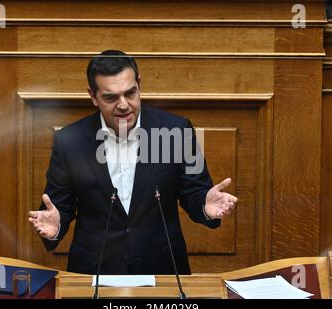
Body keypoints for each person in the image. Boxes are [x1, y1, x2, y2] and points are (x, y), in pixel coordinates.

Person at [28, 50, 238, 275]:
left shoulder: (176, 130)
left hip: (162, 269)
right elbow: (58, 205)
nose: (123, 105)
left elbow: (194, 192)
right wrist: (56, 225)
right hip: (94, 271)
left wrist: (205, 206)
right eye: (110, 97)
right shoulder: (70, 140)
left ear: (139, 84)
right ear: (93, 96)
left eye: (130, 93)